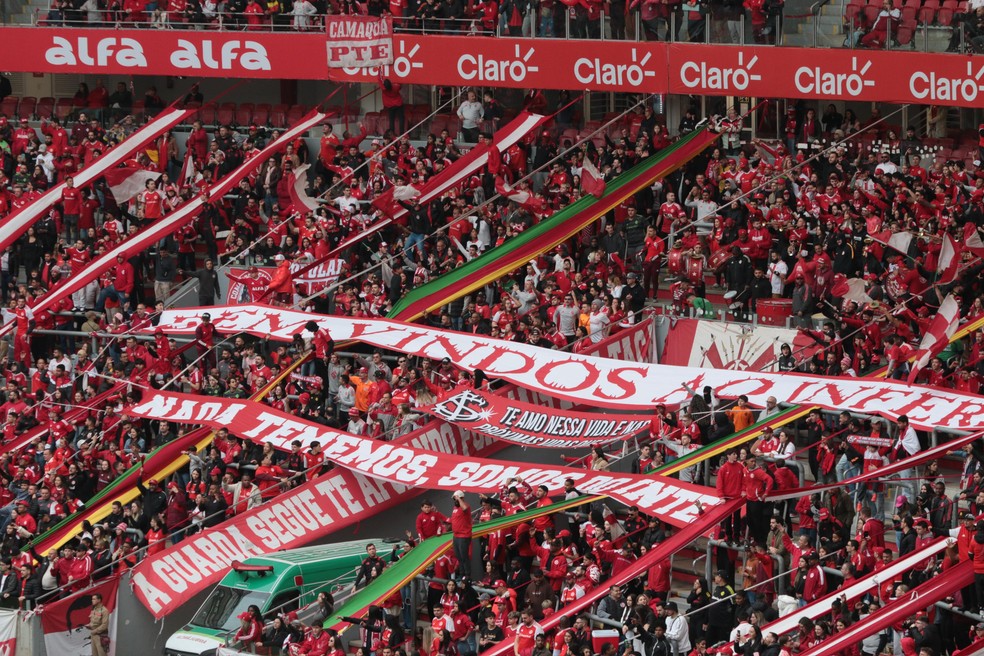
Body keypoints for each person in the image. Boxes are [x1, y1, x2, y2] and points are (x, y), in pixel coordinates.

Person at [451, 491, 473, 578]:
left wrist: (459, 499)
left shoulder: (465, 506)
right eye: (454, 499)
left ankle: (467, 575)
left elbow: (464, 508)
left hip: (464, 536)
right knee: (459, 557)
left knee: (464, 557)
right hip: (456, 536)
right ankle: (462, 574)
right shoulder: (455, 508)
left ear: (461, 498)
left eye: (456, 499)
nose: (455, 501)